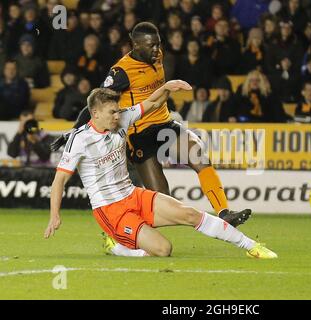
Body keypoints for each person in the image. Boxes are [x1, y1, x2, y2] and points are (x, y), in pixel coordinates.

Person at [50, 22, 251, 233]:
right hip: (139, 135)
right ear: (135, 45)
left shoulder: (157, 56)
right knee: (162, 195)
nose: (156, 50)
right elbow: (97, 103)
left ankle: (223, 212)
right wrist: (74, 130)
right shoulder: (121, 72)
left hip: (164, 124)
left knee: (198, 155)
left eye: (158, 44)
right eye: (151, 46)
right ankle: (123, 229)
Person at [44, 85, 277, 260]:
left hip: (133, 195)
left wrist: (167, 86)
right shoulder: (80, 141)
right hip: (110, 210)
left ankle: (251, 246)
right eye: (112, 112)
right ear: (95, 114)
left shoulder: (122, 118)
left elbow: (152, 104)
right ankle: (117, 247)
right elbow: (59, 181)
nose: (118, 116)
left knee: (190, 214)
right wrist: (55, 215)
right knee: (163, 250)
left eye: (118, 111)